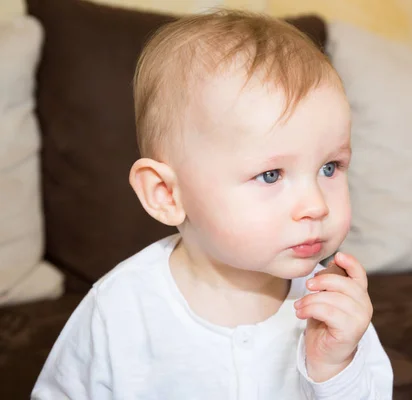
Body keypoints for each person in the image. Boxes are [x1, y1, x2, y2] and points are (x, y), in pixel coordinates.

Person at [32, 9, 393, 399]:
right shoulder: (119, 310)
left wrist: (334, 367)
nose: (316, 206)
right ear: (166, 194)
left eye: (329, 167)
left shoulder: (331, 308)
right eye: (271, 174)